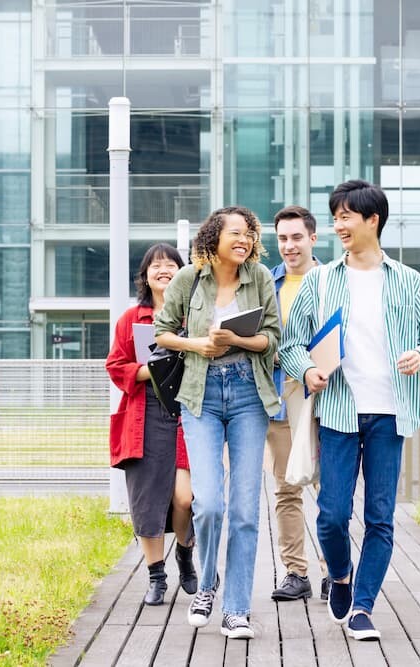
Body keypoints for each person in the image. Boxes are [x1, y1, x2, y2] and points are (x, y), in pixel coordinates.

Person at [279, 180, 420, 641]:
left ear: (372, 220)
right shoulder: (320, 280)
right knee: (332, 514)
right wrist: (308, 369)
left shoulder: (409, 281)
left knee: (379, 516)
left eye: (345, 217)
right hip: (337, 412)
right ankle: (340, 575)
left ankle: (363, 607)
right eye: (334, 217)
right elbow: (291, 343)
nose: (338, 225)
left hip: (390, 413)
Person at [154, 206, 281, 640]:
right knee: (208, 504)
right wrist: (199, 343)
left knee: (245, 511)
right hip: (200, 395)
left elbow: (271, 340)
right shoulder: (189, 278)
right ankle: (206, 584)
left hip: (248, 392)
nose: (243, 240)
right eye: (235, 233)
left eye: (249, 234)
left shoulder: (261, 278)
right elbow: (162, 332)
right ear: (214, 236)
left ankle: (237, 610)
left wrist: (235, 340)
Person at [106, 243, 198, 606]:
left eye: (171, 264)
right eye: (155, 266)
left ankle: (186, 555)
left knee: (185, 497)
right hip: (144, 417)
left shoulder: (194, 314)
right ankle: (156, 576)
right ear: (145, 276)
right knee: (146, 502)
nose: (164, 270)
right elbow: (116, 365)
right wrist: (152, 371)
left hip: (186, 415)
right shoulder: (132, 318)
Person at [265, 205, 329, 603]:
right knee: (287, 488)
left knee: (328, 489)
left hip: (324, 398)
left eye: (296, 238)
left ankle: (334, 571)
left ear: (312, 239)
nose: (289, 246)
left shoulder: (331, 282)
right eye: (283, 239)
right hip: (278, 397)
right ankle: (295, 572)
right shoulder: (266, 283)